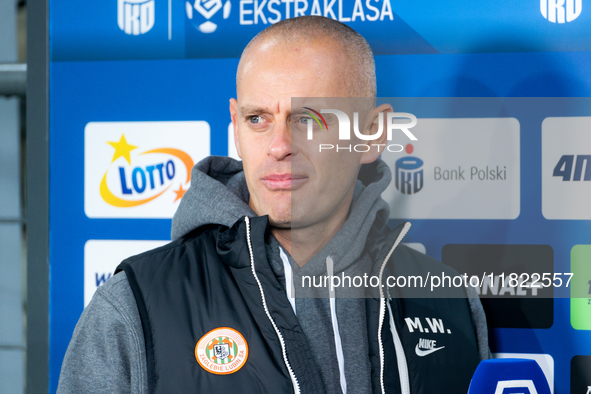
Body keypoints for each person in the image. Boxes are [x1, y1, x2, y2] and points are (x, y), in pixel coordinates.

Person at [58, 15, 490, 394]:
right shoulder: (135, 305)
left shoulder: (449, 301)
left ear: (373, 134)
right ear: (235, 125)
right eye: (257, 119)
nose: (280, 146)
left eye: (309, 119)